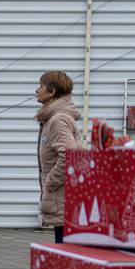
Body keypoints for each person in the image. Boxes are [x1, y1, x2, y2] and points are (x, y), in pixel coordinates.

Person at [36, 70, 80, 239]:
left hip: (63, 196)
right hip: (61, 197)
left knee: (64, 254)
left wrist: (50, 181)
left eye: (41, 86)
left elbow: (70, 155)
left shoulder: (58, 120)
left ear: (52, 91)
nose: (37, 90)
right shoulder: (53, 118)